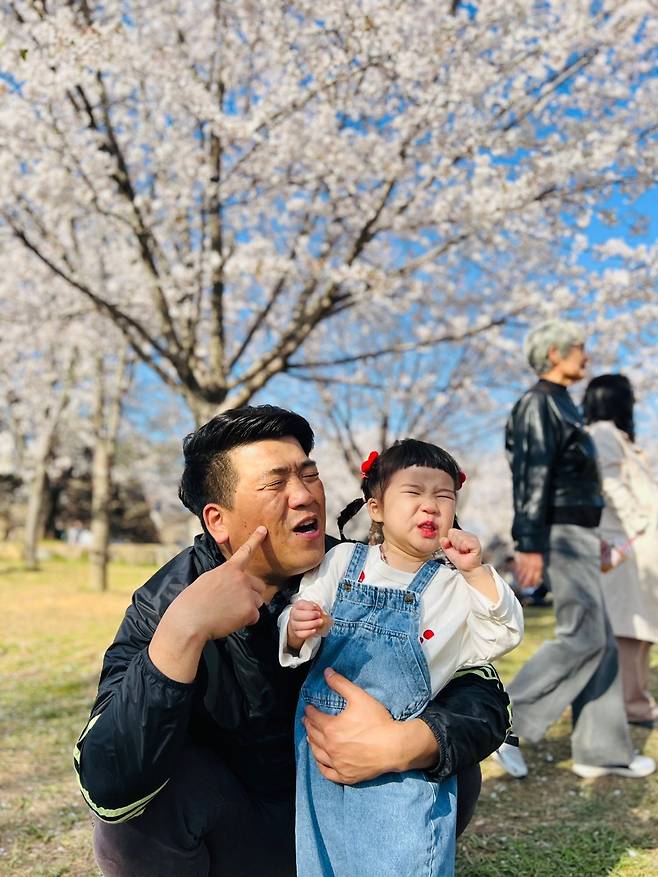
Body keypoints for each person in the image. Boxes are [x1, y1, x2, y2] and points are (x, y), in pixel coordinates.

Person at [74, 405, 513, 877]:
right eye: (275, 483)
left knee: (450, 753)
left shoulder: (361, 570)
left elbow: (482, 691)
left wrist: (407, 744)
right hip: (244, 834)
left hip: (354, 811)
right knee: (138, 814)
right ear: (218, 520)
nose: (304, 496)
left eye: (309, 475)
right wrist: (183, 632)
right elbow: (108, 784)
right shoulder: (168, 601)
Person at [279, 439, 524, 876]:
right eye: (414, 492)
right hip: (322, 754)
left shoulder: (454, 586)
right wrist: (297, 628)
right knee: (325, 859)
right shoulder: (342, 561)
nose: (430, 506)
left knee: (403, 858)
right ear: (376, 508)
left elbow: (503, 633)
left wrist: (475, 572)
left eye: (444, 496)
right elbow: (301, 617)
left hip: (400, 763)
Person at [494, 320, 655, 780]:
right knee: (582, 635)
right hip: (560, 533)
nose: (587, 356)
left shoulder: (565, 403)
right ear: (554, 353)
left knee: (602, 642)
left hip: (582, 533)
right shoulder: (538, 403)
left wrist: (597, 538)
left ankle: (601, 751)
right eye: (580, 348)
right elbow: (532, 477)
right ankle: (500, 721)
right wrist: (529, 544)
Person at [584, 374, 658, 727]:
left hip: (637, 542)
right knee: (630, 626)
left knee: (642, 627)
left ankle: (637, 701)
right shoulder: (603, 433)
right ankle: (633, 705)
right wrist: (639, 522)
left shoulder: (620, 438)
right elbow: (610, 482)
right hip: (626, 542)